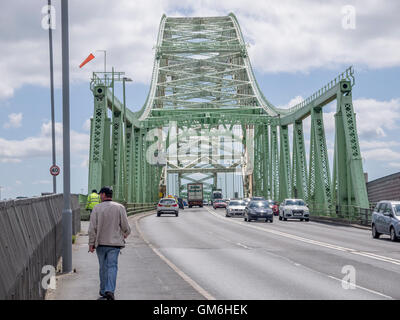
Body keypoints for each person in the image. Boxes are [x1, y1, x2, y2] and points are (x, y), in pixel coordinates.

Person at [88, 186, 131, 300]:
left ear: (103, 195)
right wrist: (126, 233)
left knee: (103, 267)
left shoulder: (96, 208)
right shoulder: (120, 207)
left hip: (100, 244)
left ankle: (103, 290)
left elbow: (92, 228)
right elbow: (125, 226)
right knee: (112, 267)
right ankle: (110, 290)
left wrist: (91, 244)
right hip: (115, 244)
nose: (99, 196)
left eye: (100, 194)